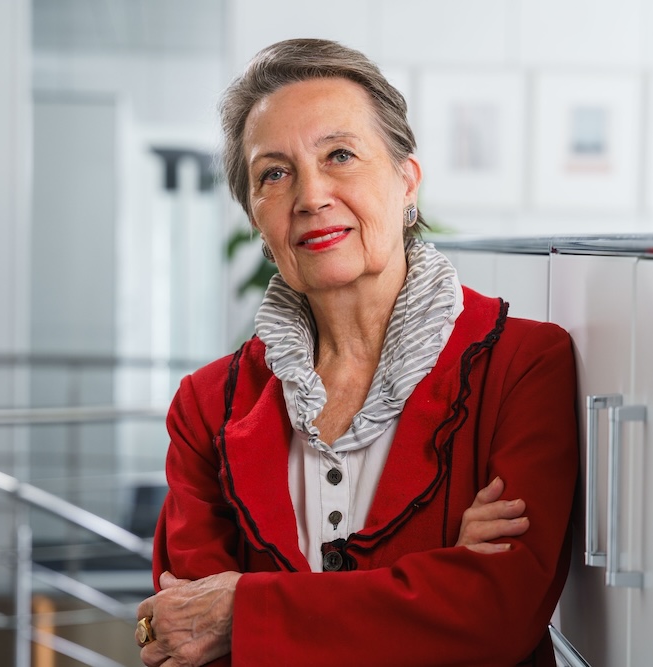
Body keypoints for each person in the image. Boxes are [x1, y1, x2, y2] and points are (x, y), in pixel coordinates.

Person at [135, 38, 578, 667]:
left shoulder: (522, 365)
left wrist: (244, 612)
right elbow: (188, 636)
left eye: (339, 155)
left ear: (407, 181)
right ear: (256, 218)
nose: (311, 196)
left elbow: (498, 615)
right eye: (274, 173)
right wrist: (435, 584)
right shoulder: (206, 407)